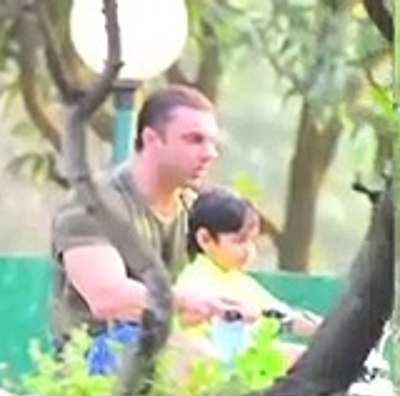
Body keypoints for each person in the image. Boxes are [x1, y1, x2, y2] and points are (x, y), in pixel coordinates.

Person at [49, 84, 252, 375]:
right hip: (94, 365)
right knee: (210, 366)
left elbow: (229, 277)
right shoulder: (93, 205)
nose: (210, 153)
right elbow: (107, 297)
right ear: (151, 139)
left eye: (212, 142)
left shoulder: (192, 209)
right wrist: (183, 301)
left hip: (162, 349)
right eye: (194, 140)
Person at [173, 186, 323, 366]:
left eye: (252, 240)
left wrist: (322, 328)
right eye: (239, 240)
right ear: (205, 239)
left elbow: (282, 315)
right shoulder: (195, 282)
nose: (249, 250)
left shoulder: (238, 280)